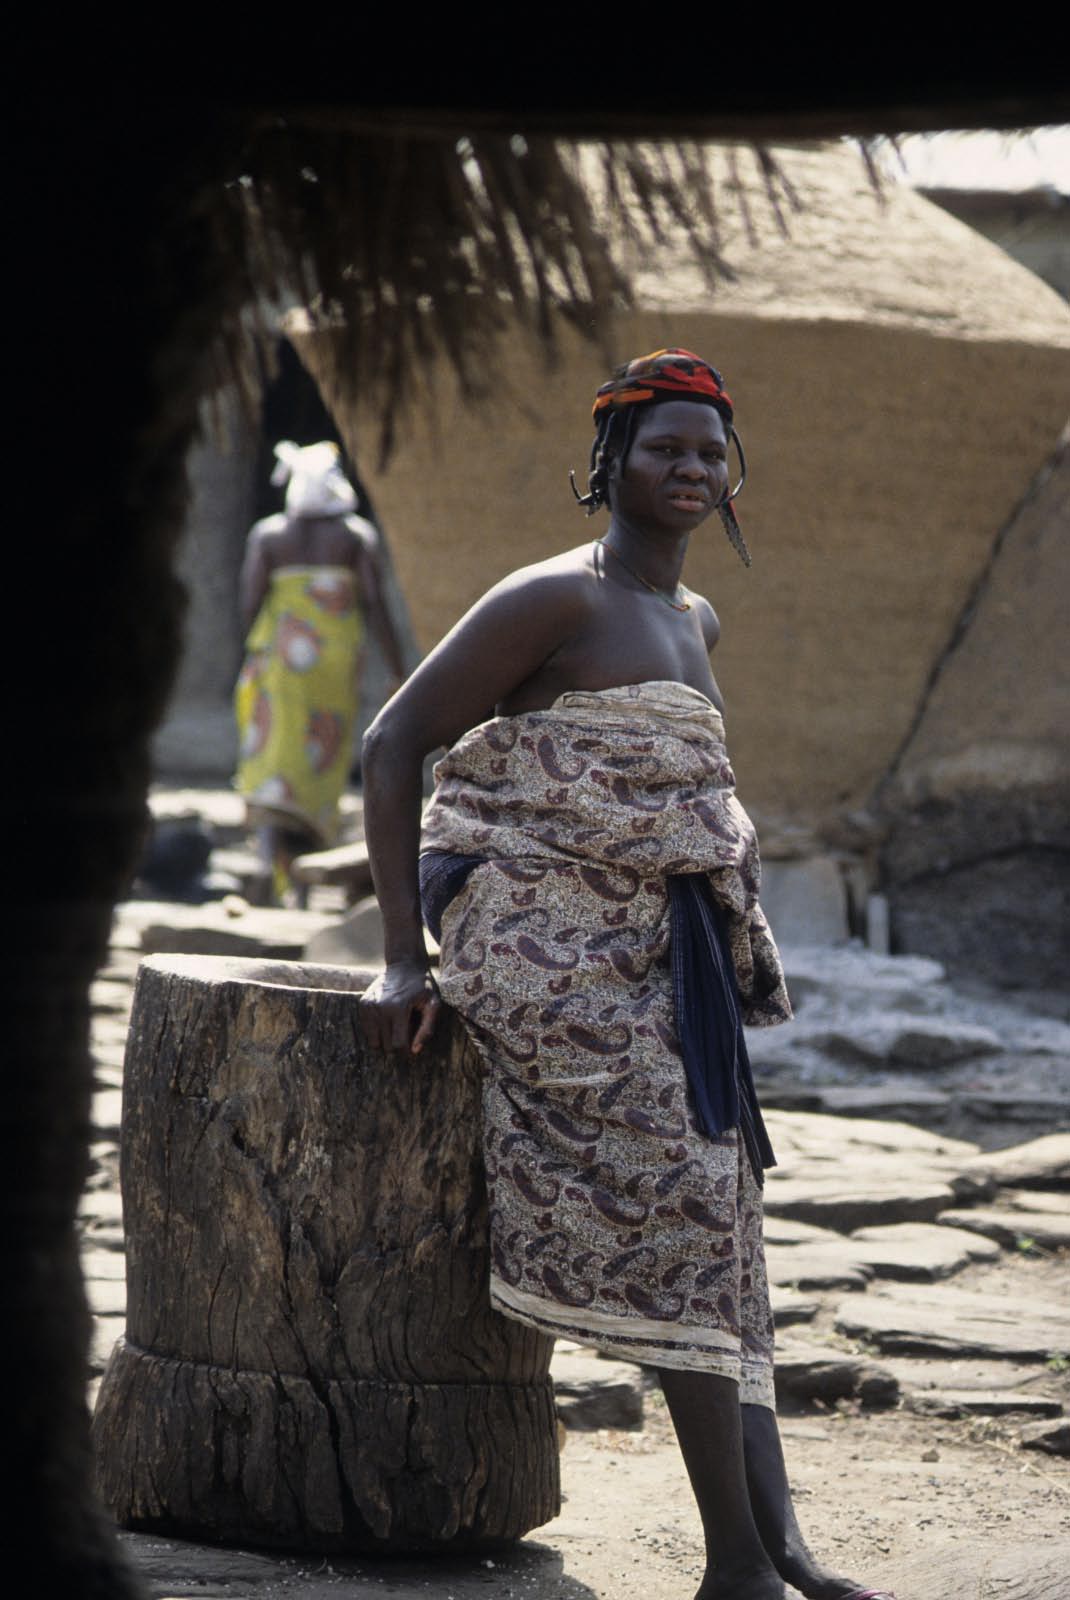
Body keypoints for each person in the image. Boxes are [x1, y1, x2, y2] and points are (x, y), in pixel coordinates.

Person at [358, 350, 894, 1600]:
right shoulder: (551, 599)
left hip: (662, 957)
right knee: (685, 1201)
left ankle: (777, 1550)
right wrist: (398, 959)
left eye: (711, 452)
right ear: (611, 463)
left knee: (728, 1221)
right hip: (544, 950)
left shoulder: (694, 618)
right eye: (665, 449)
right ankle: (734, 1568)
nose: (691, 470)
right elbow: (394, 740)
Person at [234, 440, 407, 902]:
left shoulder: (269, 536)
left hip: (281, 662)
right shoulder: (355, 537)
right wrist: (398, 667)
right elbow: (374, 604)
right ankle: (304, 886)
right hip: (334, 664)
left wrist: (248, 658)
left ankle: (269, 861)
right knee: (320, 750)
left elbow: (251, 602)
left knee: (274, 752)